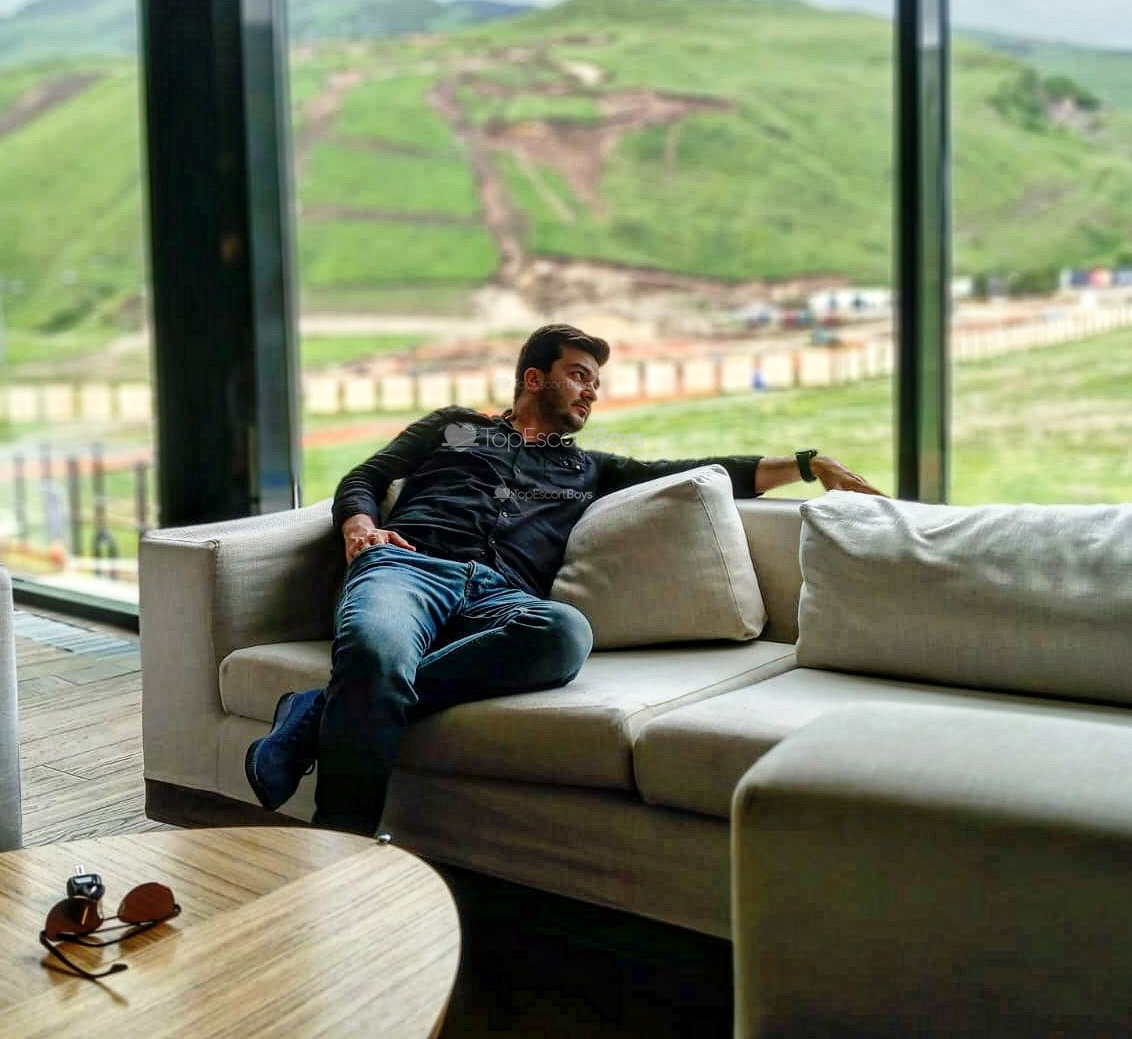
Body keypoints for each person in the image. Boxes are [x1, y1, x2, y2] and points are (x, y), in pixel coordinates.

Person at [246, 323, 883, 835]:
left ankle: (316, 712)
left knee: (564, 631)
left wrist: (808, 464)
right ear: (534, 378)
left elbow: (705, 469)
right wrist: (361, 526)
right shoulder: (453, 428)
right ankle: (344, 844)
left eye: (596, 383)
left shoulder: (589, 469)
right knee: (376, 655)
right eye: (579, 375)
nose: (591, 392)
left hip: (502, 600)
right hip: (408, 567)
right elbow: (366, 475)